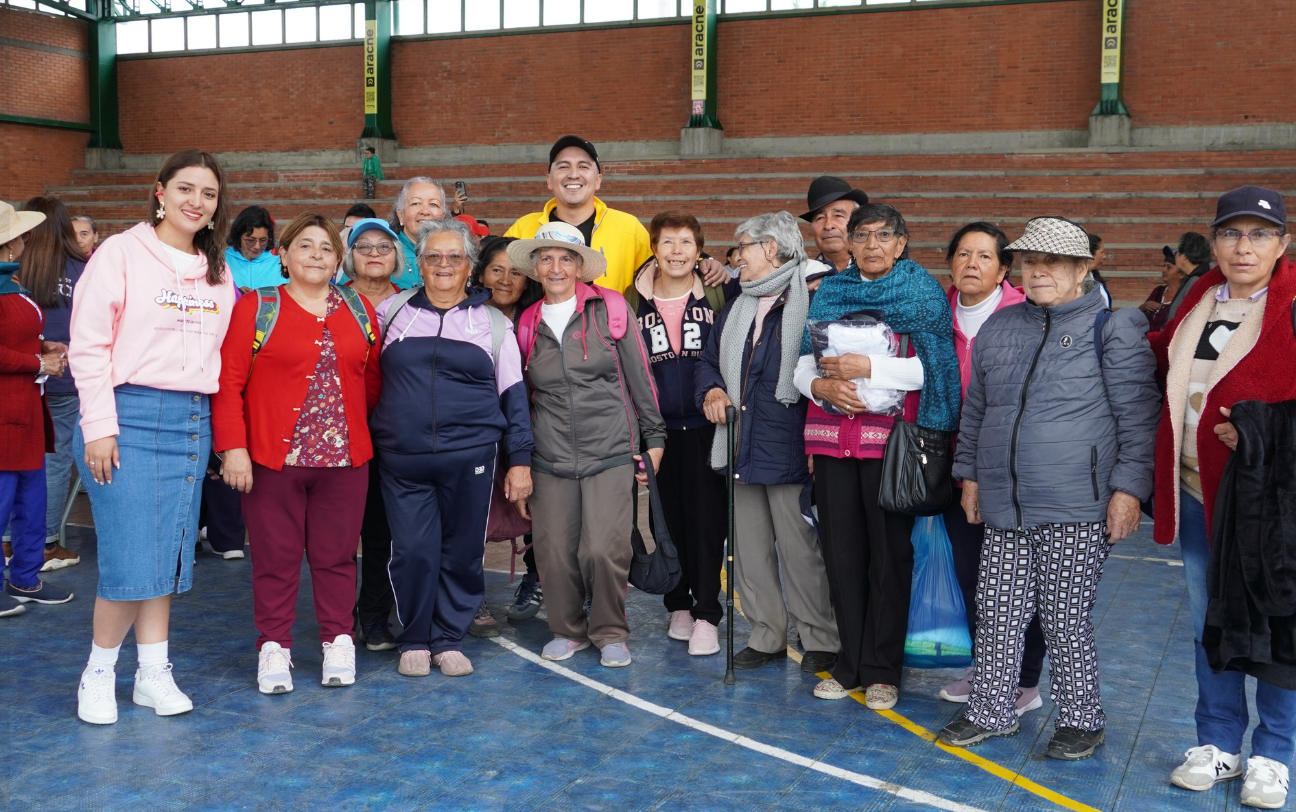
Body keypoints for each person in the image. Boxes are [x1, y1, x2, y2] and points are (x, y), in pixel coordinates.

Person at [938, 216, 1158, 760]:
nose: (1039, 271)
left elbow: (1138, 418)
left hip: (1077, 503)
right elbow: (979, 410)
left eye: (1053, 262)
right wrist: (969, 475)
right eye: (1030, 261)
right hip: (1004, 501)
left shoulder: (1115, 326)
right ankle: (992, 708)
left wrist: (1128, 491)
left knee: (1064, 617)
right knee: (996, 609)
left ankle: (1082, 719)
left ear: (1084, 268)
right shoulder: (1002, 325)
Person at [70, 150, 236, 725]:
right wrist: (99, 426)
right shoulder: (120, 252)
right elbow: (88, 345)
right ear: (159, 191)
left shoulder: (218, 270)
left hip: (189, 417)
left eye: (208, 194)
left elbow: (221, 355)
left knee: (167, 553)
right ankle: (97, 672)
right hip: (125, 415)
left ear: (217, 208)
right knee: (129, 554)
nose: (196, 201)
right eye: (185, 188)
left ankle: (153, 673)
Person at [1151, 186, 1296, 809]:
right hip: (1199, 495)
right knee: (1210, 616)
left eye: (1259, 235)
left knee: (1277, 620)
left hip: (1270, 501)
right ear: (1214, 242)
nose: (1244, 246)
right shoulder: (1197, 301)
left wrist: (1259, 430)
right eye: (1232, 234)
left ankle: (1274, 754)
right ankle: (1217, 742)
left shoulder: (1292, 308)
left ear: (1282, 244)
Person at [792, 203, 961, 708]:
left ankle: (883, 668)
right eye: (861, 235)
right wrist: (820, 382)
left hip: (892, 446)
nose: (871, 245)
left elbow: (936, 370)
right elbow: (802, 364)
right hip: (832, 439)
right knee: (842, 554)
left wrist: (870, 367)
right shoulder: (833, 291)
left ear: (902, 243)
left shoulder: (921, 292)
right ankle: (849, 664)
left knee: (889, 556)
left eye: (883, 236)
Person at [213, 213, 381, 695]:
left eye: (326, 248)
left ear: (338, 260)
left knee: (337, 558)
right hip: (272, 460)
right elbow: (228, 384)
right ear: (282, 255)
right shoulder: (257, 306)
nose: (315, 255)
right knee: (275, 558)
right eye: (304, 246)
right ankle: (274, 647)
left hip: (345, 461)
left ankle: (338, 640)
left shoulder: (357, 308)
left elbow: (371, 380)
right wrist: (233, 449)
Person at [371, 219, 533, 678]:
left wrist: (519, 461)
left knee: (462, 551)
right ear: (418, 265)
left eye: (454, 257)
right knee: (412, 550)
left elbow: (514, 396)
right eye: (433, 257)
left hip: (472, 458)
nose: (444, 265)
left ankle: (447, 638)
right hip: (402, 459)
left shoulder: (493, 323)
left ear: (470, 267)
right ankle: (416, 639)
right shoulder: (393, 313)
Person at [508, 221, 665, 668]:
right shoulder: (527, 321)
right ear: (535, 266)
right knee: (555, 552)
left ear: (580, 266)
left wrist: (655, 439)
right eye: (546, 257)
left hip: (611, 449)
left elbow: (641, 377)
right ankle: (567, 629)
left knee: (602, 548)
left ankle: (610, 630)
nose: (555, 267)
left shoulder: (610, 309)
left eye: (566, 258)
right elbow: (522, 396)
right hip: (549, 455)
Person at [696, 211, 839, 672]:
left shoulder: (815, 296)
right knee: (749, 549)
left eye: (742, 248)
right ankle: (766, 634)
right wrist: (712, 389)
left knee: (800, 550)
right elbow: (708, 360)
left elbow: (822, 370)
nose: (735, 258)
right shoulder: (737, 303)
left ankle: (820, 638)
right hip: (739, 442)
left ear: (770, 250)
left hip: (790, 445)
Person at [933, 222, 1043, 716]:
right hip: (951, 468)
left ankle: (1024, 680)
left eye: (984, 256)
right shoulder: (935, 312)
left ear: (1004, 269)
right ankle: (988, 667)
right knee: (972, 575)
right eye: (962, 254)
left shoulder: (1027, 315)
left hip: (1011, 472)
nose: (971, 263)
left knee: (1022, 582)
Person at [628, 212, 734, 656]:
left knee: (707, 524)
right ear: (653, 248)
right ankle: (680, 605)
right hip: (658, 434)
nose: (676, 251)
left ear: (699, 250)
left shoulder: (719, 294)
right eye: (667, 242)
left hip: (708, 428)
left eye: (686, 243)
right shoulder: (630, 302)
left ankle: (708, 613)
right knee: (664, 521)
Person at [0, 201, 75, 619]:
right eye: (18, 234)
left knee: (31, 497)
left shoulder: (13, 284)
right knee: (3, 500)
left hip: (26, 410)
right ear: (8, 242)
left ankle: (25, 576)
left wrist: (41, 344)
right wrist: (36, 362)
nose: (24, 240)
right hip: (7, 412)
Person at [471, 236, 545, 622]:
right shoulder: (462, 315)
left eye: (515, 272)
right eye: (496, 269)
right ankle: (469, 593)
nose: (504, 279)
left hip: (530, 427)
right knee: (474, 512)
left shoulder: (538, 317)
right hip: (479, 429)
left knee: (536, 507)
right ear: (480, 272)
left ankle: (538, 577)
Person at [11, 197, 86, 570]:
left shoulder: (16, 268)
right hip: (63, 376)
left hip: (24, 380)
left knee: (18, 463)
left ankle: (13, 542)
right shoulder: (83, 269)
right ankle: (47, 544)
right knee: (54, 464)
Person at [340, 217, 403, 651]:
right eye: (364, 246)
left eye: (384, 245)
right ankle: (337, 620)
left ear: (399, 256)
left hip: (395, 435)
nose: (375, 252)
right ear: (349, 256)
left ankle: (375, 616)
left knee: (381, 533)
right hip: (340, 432)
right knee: (340, 534)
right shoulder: (331, 300)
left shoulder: (412, 302)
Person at [503, 135, 652, 293]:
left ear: (598, 180)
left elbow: (655, 286)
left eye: (583, 167)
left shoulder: (629, 229)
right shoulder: (522, 230)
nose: (573, 174)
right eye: (563, 167)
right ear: (549, 180)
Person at [799, 176, 868, 289]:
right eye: (820, 218)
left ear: (857, 222)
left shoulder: (880, 270)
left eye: (838, 216)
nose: (828, 225)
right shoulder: (803, 277)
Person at [387, 176, 446, 290]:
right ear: (400, 215)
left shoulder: (457, 253)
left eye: (433, 204)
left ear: (443, 216)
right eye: (415, 203)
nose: (425, 211)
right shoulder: (382, 252)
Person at [224, 205, 280, 293]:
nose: (257, 246)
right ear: (238, 236)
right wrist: (236, 292)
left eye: (263, 240)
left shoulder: (280, 265)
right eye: (250, 240)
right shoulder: (220, 261)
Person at [1162, 230, 1212, 324]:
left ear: (1184, 256)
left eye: (1177, 252)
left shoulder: (1197, 282)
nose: (1176, 256)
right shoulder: (1195, 277)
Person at [1139, 246, 1188, 332]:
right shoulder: (1158, 291)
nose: (1163, 270)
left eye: (1168, 267)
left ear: (1182, 274)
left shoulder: (1184, 296)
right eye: (1164, 266)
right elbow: (1138, 315)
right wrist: (1144, 307)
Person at [1086, 232, 1114, 308]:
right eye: (1102, 252)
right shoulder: (1074, 281)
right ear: (1089, 254)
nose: (1104, 256)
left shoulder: (1095, 276)